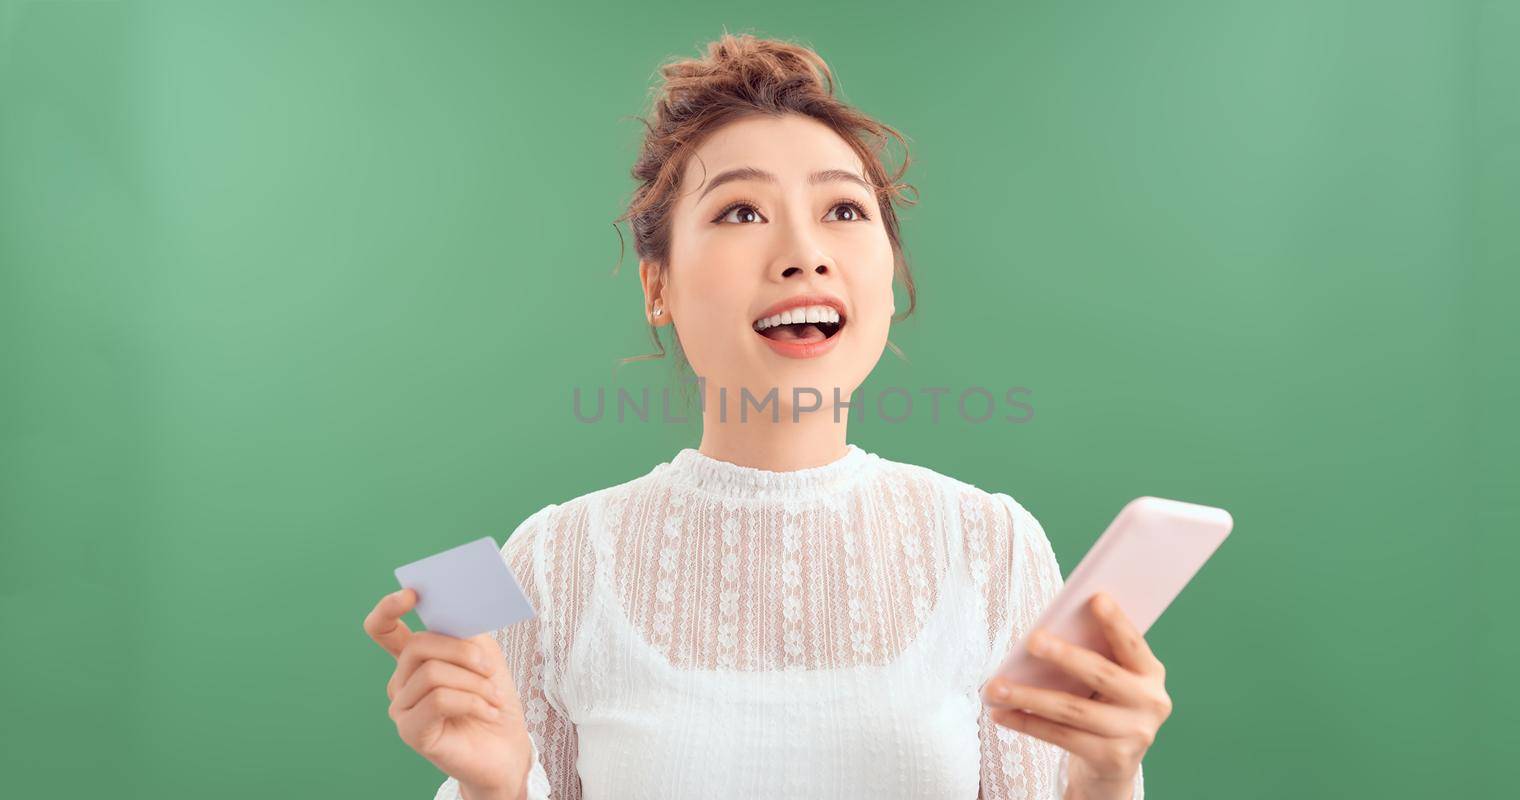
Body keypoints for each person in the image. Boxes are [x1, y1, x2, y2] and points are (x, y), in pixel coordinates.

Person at [363, 32, 1171, 800]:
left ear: (888, 280)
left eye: (845, 213)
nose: (804, 253)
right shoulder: (551, 561)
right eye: (741, 212)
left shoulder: (991, 545)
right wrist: (493, 788)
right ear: (657, 287)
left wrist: (1104, 780)